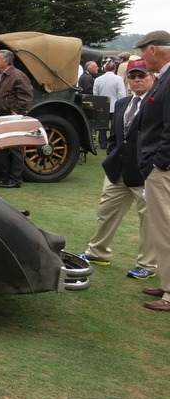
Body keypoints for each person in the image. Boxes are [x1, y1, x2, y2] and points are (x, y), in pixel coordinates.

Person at [78, 59, 156, 279]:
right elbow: (115, 136)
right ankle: (97, 252)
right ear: (127, 79)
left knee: (149, 219)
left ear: (152, 78)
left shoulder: (157, 104)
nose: (137, 80)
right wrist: (112, 156)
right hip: (117, 169)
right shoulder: (122, 103)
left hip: (146, 173)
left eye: (142, 76)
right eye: (132, 76)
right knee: (106, 212)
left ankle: (147, 265)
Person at [134, 30, 170, 311]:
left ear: (154, 50)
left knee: (165, 228)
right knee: (160, 228)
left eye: (144, 51)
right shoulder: (163, 79)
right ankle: (167, 283)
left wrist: (160, 161)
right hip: (156, 166)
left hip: (162, 168)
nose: (143, 58)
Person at [0, 49, 33, 188]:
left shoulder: (17, 75)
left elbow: (26, 95)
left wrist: (16, 111)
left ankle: (15, 179)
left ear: (6, 61)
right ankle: (4, 177)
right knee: (0, 148)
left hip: (13, 117)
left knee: (15, 149)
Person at [93, 59, 128, 149]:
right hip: (115, 105)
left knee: (102, 126)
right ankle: (113, 142)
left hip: (102, 105)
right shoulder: (118, 79)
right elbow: (122, 94)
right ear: (115, 69)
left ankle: (103, 143)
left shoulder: (98, 79)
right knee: (115, 126)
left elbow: (95, 94)